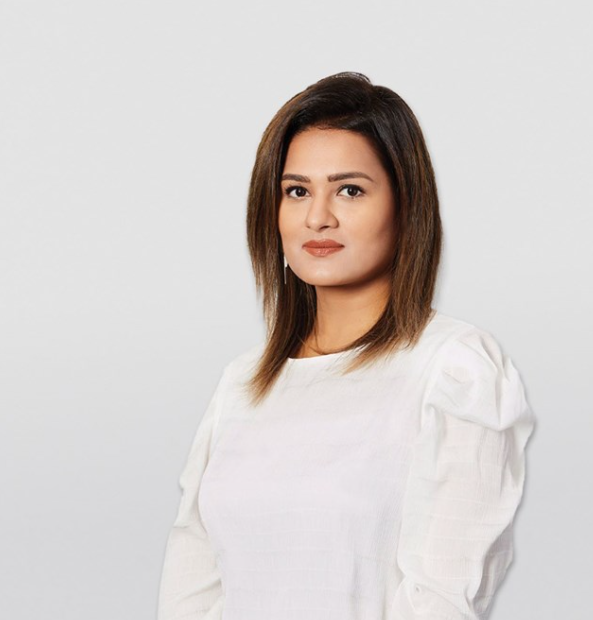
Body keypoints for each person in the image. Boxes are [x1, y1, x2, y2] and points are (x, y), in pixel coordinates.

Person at [156, 71, 536, 620]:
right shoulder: (243, 383)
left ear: (405, 205)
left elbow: (442, 600)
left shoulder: (453, 369)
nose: (318, 217)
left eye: (350, 190)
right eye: (297, 191)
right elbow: (190, 591)